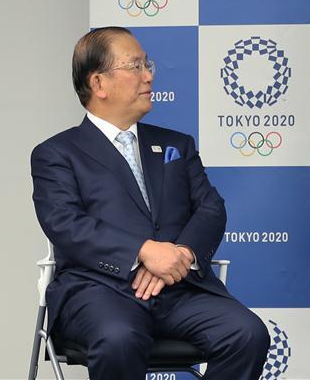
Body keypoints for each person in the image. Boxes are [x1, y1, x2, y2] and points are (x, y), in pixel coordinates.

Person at [31, 27, 269, 379]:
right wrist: (143, 251)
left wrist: (182, 254)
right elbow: (67, 224)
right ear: (99, 84)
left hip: (179, 291)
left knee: (247, 333)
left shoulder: (177, 145)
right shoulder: (56, 154)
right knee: (118, 338)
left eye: (148, 65)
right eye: (136, 66)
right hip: (99, 292)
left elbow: (210, 208)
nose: (149, 76)